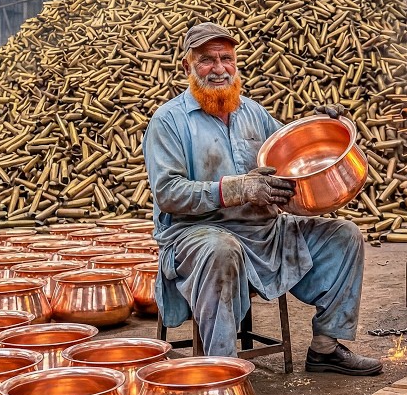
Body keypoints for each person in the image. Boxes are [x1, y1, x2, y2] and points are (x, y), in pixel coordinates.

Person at [144, 22, 381, 375]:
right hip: (197, 236)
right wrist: (237, 189)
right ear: (187, 67)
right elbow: (168, 193)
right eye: (207, 60)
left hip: (265, 234)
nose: (219, 68)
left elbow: (288, 163)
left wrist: (330, 132)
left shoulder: (253, 113)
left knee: (344, 236)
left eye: (226, 58)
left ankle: (325, 348)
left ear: (236, 63)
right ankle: (223, 369)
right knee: (220, 248)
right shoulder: (169, 122)